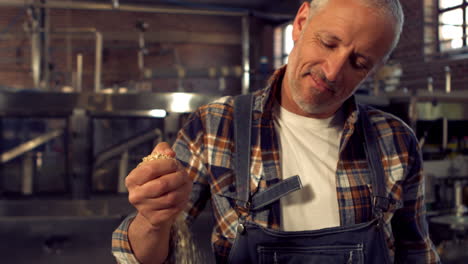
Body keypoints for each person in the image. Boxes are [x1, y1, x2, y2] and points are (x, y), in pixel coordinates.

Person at [112, 0, 441, 263]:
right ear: (301, 22)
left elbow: (416, 252)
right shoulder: (217, 124)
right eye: (328, 43)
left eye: (358, 63)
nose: (332, 71)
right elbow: (141, 256)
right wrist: (153, 219)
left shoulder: (395, 140)